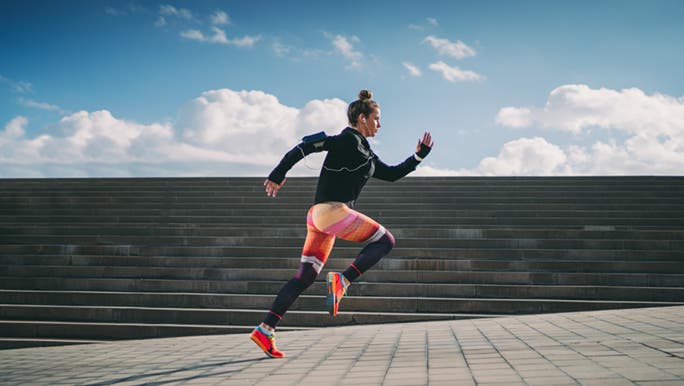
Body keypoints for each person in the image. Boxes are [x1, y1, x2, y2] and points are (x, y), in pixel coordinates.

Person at [250, 90, 434, 358]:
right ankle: (342, 281)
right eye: (377, 119)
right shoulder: (345, 140)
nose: (380, 125)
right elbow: (303, 147)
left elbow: (392, 174)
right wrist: (278, 174)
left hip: (319, 219)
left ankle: (265, 329)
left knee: (306, 276)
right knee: (385, 240)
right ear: (362, 118)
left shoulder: (366, 152)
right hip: (331, 211)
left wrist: (418, 157)